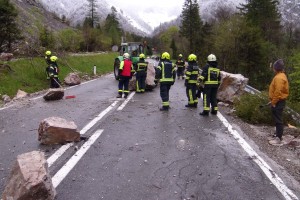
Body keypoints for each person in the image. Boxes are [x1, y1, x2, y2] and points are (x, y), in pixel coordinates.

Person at [268, 59, 289, 145]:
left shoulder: (279, 78)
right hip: (278, 100)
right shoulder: (281, 76)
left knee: (278, 119)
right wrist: (272, 101)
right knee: (277, 118)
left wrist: (273, 102)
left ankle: (278, 139)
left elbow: (278, 92)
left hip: (278, 101)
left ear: (276, 68)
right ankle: (277, 135)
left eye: (274, 67)